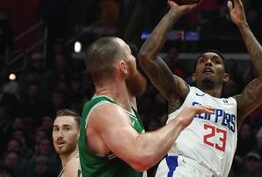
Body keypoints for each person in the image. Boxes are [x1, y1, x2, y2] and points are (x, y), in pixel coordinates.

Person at [139, 0, 262, 177]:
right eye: (203, 60)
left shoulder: (235, 107)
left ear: (226, 76)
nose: (209, 63)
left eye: (215, 61)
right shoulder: (183, 93)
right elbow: (147, 57)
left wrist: (243, 26)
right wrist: (174, 13)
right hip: (182, 169)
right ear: (194, 74)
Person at [79, 37, 213, 177]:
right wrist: (180, 120)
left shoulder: (125, 106)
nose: (135, 60)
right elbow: (142, 156)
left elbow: (139, 75)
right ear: (124, 67)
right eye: (131, 55)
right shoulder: (104, 111)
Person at [52, 109, 81, 177]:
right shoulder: (71, 166)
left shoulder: (75, 165)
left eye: (67, 129)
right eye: (56, 129)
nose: (59, 135)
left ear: (80, 134)